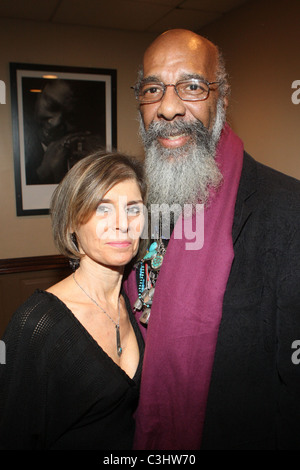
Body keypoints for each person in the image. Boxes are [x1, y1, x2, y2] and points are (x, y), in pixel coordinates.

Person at [124, 29, 300, 450]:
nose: (168, 107)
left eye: (191, 86)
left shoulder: (287, 212)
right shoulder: (139, 206)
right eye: (153, 89)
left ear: (221, 102)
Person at [0, 151, 147, 450]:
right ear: (70, 223)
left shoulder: (134, 302)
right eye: (102, 208)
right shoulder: (38, 325)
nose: (122, 223)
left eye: (133, 208)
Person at [24, 79, 105, 184]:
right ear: (38, 95)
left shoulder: (85, 153)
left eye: (70, 118)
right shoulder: (21, 144)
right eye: (51, 106)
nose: (56, 122)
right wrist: (42, 173)